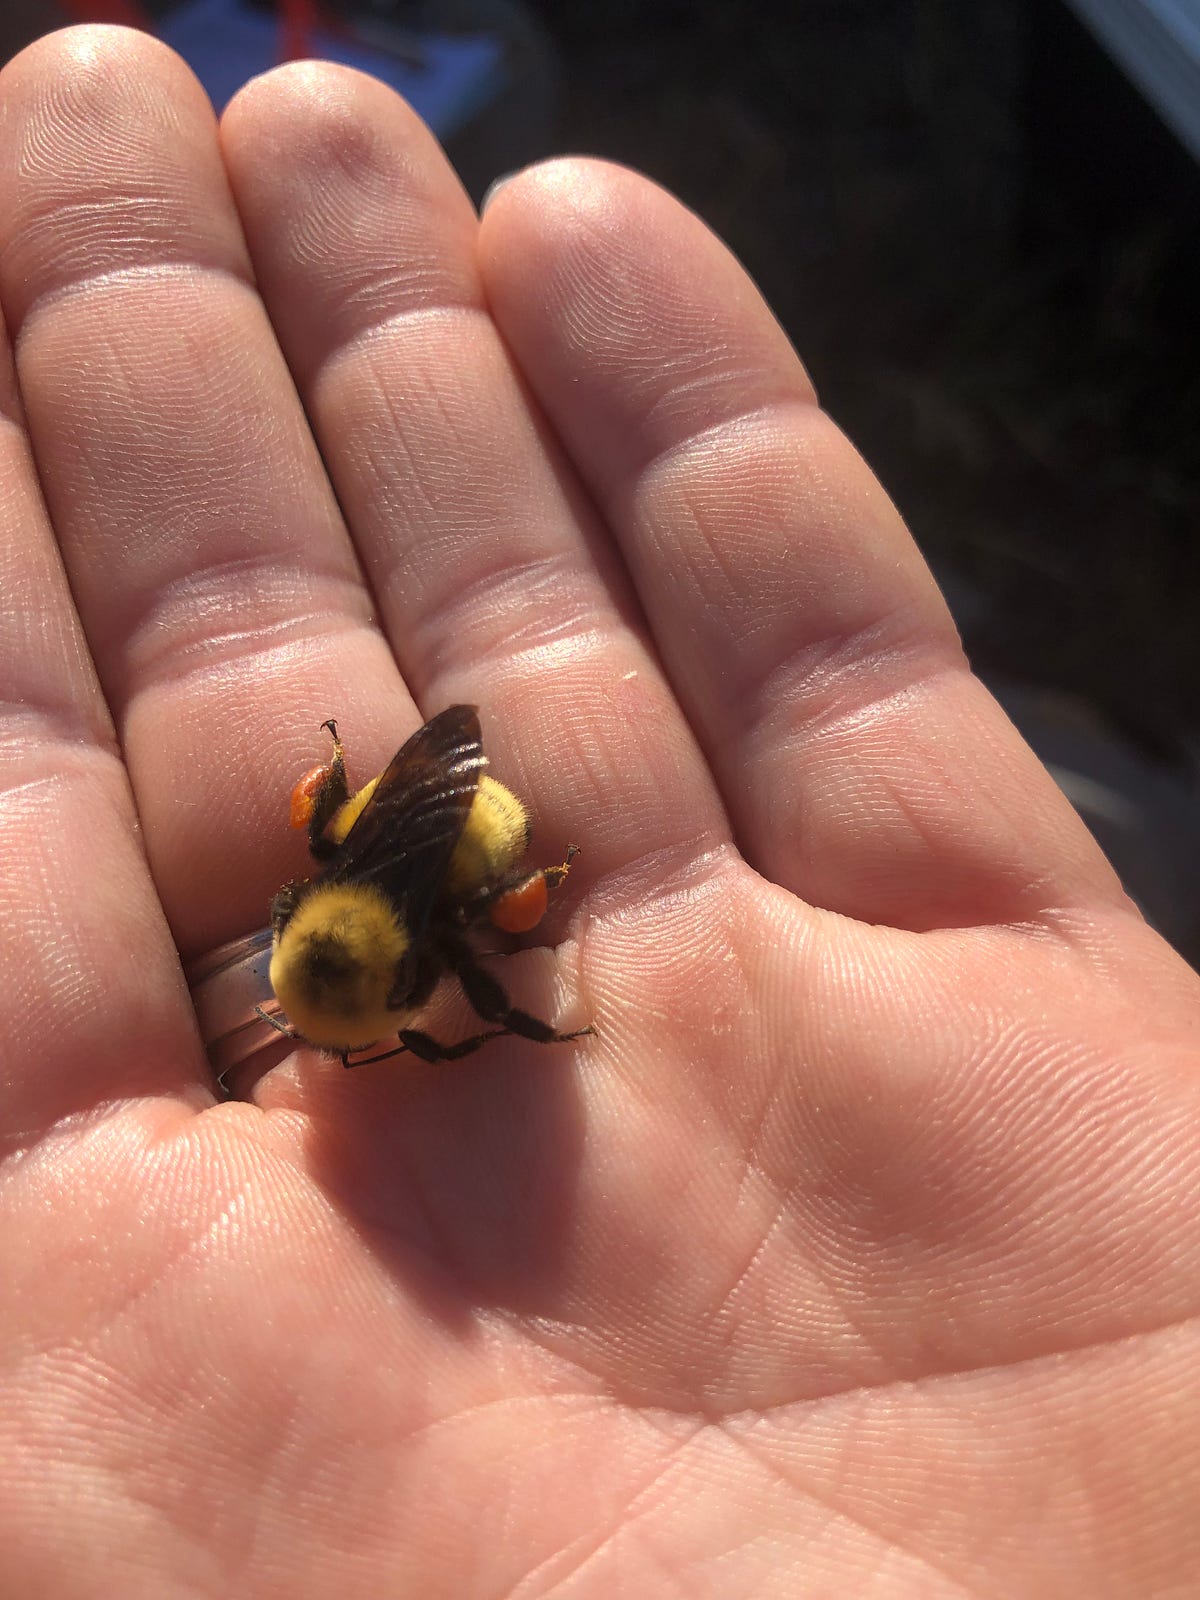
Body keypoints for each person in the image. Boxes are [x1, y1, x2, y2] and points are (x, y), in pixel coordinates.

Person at [1, 24, 1197, 1597]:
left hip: (465, 843)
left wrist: (494, 992)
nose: (345, 1033)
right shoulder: (341, 924)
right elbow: (363, 876)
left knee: (472, 908)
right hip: (438, 831)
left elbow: (433, 970)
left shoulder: (378, 984)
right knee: (414, 871)